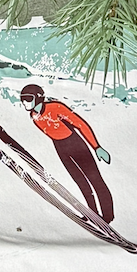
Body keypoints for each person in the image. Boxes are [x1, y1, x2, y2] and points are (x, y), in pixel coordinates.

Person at [20, 84, 115, 221]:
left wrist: (96, 147)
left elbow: (80, 124)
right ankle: (92, 214)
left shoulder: (55, 108)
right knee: (80, 182)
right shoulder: (34, 117)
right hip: (60, 148)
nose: (25, 103)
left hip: (76, 144)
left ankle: (108, 216)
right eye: (22, 99)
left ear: (38, 98)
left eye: (28, 98)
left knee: (95, 179)